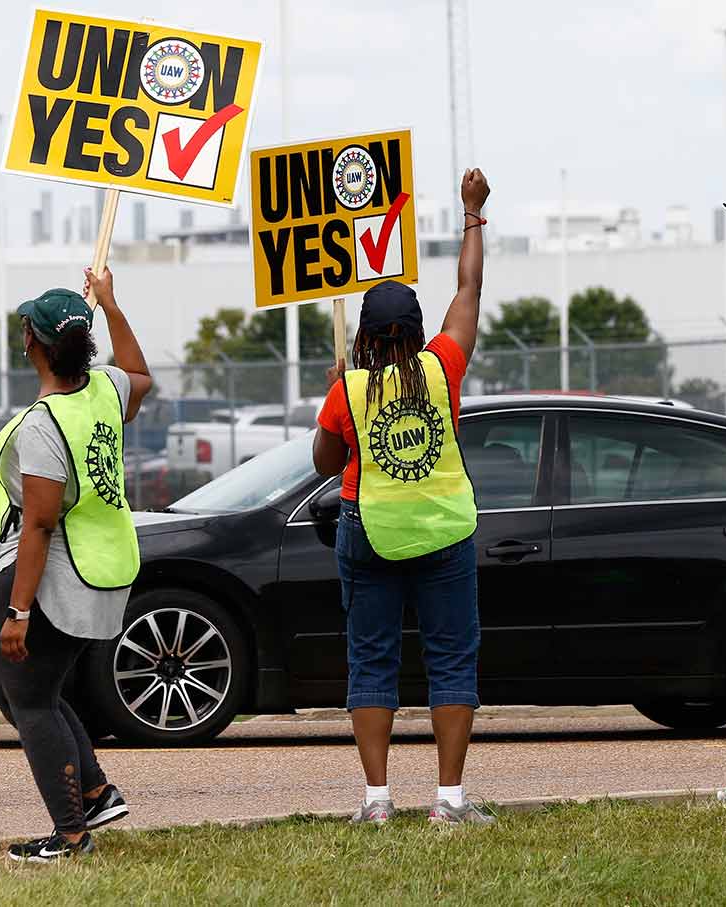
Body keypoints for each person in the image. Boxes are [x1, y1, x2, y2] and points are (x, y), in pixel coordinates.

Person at [0, 269, 151, 861]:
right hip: (104, 566)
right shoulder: (105, 391)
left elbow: (37, 524)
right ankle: (94, 789)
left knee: (30, 699)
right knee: (11, 688)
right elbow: (139, 375)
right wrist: (112, 304)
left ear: (31, 342)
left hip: (51, 575)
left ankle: (70, 833)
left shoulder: (41, 426)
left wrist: (18, 610)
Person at [312, 168, 493, 826]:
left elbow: (326, 462)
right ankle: (448, 799)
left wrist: (341, 394)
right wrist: (472, 212)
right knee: (450, 657)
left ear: (363, 333)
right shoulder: (443, 365)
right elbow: (469, 287)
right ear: (417, 331)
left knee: (371, 656)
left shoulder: (349, 389)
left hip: (369, 528)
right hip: (444, 532)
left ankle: (377, 800)